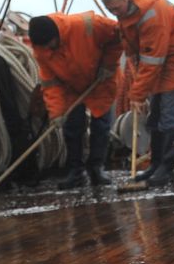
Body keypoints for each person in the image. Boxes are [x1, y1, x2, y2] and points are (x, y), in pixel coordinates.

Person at [100, 0, 174, 188]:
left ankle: (167, 166)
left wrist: (136, 94)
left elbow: (153, 57)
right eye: (110, 11)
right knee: (154, 116)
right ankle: (156, 164)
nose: (114, 14)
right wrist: (139, 88)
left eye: (116, 8)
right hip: (159, 63)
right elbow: (134, 53)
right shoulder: (126, 16)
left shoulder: (152, 13)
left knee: (170, 115)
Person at [27, 12, 122, 189]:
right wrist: (56, 113)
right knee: (72, 127)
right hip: (70, 87)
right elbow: (50, 84)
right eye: (44, 47)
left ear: (56, 35)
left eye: (50, 44)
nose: (48, 49)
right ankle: (75, 172)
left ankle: (96, 168)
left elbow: (119, 35)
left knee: (100, 125)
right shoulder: (42, 49)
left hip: (100, 80)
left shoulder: (88, 24)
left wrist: (109, 64)